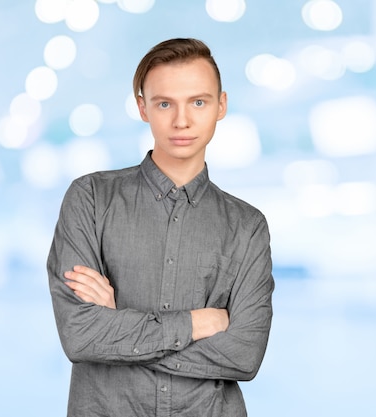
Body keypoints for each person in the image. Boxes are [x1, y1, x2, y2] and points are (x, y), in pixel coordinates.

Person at [47, 38, 274, 417]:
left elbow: (244, 356)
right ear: (143, 108)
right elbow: (81, 335)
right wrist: (198, 323)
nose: (181, 120)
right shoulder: (90, 198)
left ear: (221, 106)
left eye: (198, 102)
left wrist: (120, 326)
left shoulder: (247, 226)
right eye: (165, 103)